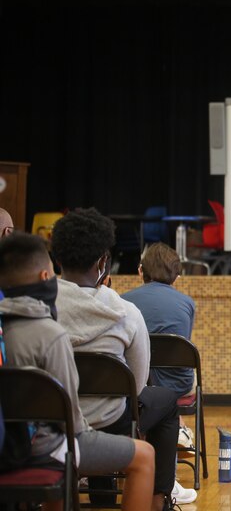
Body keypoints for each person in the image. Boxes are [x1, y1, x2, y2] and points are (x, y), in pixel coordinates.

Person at [0, 232, 155, 511]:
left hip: (8, 442)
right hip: (45, 446)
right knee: (145, 455)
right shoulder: (49, 334)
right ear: (45, 275)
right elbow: (68, 419)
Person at [51, 207, 194, 509]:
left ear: (58, 259)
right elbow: (138, 384)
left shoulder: (41, 306)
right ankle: (159, 498)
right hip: (111, 422)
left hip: (52, 422)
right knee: (164, 402)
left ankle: (101, 496)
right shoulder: (126, 313)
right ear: (104, 262)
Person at [121, 242, 197, 453]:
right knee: (190, 364)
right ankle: (179, 428)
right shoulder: (187, 303)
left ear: (140, 271)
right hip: (177, 383)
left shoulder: (123, 301)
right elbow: (182, 345)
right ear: (175, 277)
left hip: (135, 384)